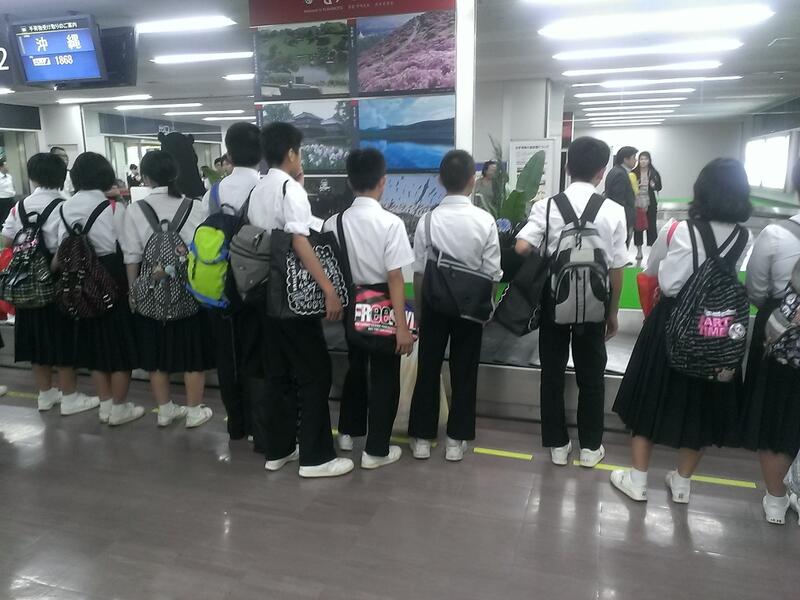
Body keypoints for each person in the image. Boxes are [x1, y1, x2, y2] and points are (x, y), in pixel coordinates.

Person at [611, 158, 753, 505]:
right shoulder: (743, 235)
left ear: (702, 190)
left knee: (649, 399)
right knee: (702, 407)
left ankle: (638, 479)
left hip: (671, 326)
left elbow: (660, 276)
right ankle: (682, 483)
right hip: (716, 331)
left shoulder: (681, 230)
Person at [248, 122, 353, 478]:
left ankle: (279, 450)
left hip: (266, 294)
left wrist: (298, 187)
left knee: (278, 374)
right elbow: (299, 241)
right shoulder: (289, 189)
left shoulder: (260, 188)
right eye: (301, 151)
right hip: (295, 297)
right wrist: (329, 289)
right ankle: (316, 458)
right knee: (315, 373)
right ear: (292, 152)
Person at [516, 137, 627, 468]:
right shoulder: (613, 211)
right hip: (595, 304)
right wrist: (612, 313)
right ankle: (590, 447)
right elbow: (617, 268)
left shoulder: (547, 207)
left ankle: (558, 445)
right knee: (591, 374)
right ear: (601, 172)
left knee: (552, 373)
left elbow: (522, 247)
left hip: (555, 302)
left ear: (567, 168)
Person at [408, 150, 503, 461]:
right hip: (471, 308)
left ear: (440, 180)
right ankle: (455, 441)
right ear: (472, 181)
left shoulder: (427, 220)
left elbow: (420, 272)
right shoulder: (485, 220)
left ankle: (422, 440)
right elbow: (492, 272)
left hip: (434, 304)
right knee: (465, 370)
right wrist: (487, 306)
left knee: (428, 369)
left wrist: (419, 310)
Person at [324, 148, 415, 468]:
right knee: (385, 374)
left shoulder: (332, 223)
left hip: (350, 304)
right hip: (383, 303)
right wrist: (402, 326)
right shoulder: (391, 223)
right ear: (383, 181)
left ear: (350, 182)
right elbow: (395, 277)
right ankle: (376, 451)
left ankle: (348, 432)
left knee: (356, 366)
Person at [124, 150, 214, 429]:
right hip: (189, 291)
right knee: (192, 356)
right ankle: (194, 411)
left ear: (145, 177)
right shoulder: (194, 206)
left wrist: (134, 291)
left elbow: (132, 256)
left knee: (156, 356)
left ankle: (164, 410)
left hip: (151, 292)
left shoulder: (135, 209)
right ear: (175, 174)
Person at [1, 153, 95, 414]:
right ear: (62, 176)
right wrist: (47, 271)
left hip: (25, 284)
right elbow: (66, 248)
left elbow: (7, 240)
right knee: (62, 338)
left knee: (34, 338)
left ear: (32, 177)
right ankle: (70, 397)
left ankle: (45, 394)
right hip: (55, 282)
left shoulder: (20, 206)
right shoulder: (65, 206)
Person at [56, 152, 144, 426]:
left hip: (80, 282)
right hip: (111, 278)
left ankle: (105, 404)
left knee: (93, 345)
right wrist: (132, 289)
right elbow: (130, 251)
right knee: (120, 346)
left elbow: (61, 250)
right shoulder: (113, 208)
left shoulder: (64, 208)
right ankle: (119, 408)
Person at [741, 158, 800, 525]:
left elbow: (756, 289)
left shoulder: (777, 235)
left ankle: (776, 499)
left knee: (777, 415)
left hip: (784, 337)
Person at [200, 122, 263, 440]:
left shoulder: (212, 193)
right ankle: (256, 425)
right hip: (256, 284)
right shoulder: (264, 190)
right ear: (261, 153)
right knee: (257, 352)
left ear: (229, 154)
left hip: (218, 282)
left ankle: (235, 423)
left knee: (227, 354)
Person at [632, 152, 663, 262]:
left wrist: (654, 185)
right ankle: (639, 251)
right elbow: (629, 186)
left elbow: (660, 187)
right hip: (637, 203)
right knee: (638, 227)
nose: (643, 161)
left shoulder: (653, 172)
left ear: (649, 160)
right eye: (641, 159)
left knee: (651, 227)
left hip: (650, 203)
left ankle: (652, 251)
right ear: (638, 160)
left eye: (645, 159)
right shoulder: (634, 173)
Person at [604, 146, 637, 246]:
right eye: (634, 157)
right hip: (622, 220)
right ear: (625, 159)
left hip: (619, 219)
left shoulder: (616, 171)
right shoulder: (620, 174)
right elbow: (618, 201)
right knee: (621, 247)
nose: (636, 160)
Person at [0, 158, 16, 223]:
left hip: (11, 199)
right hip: (2, 201)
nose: (7, 167)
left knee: (13, 216)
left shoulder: (9, 176)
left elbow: (12, 186)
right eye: (5, 165)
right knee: (4, 218)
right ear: (1, 167)